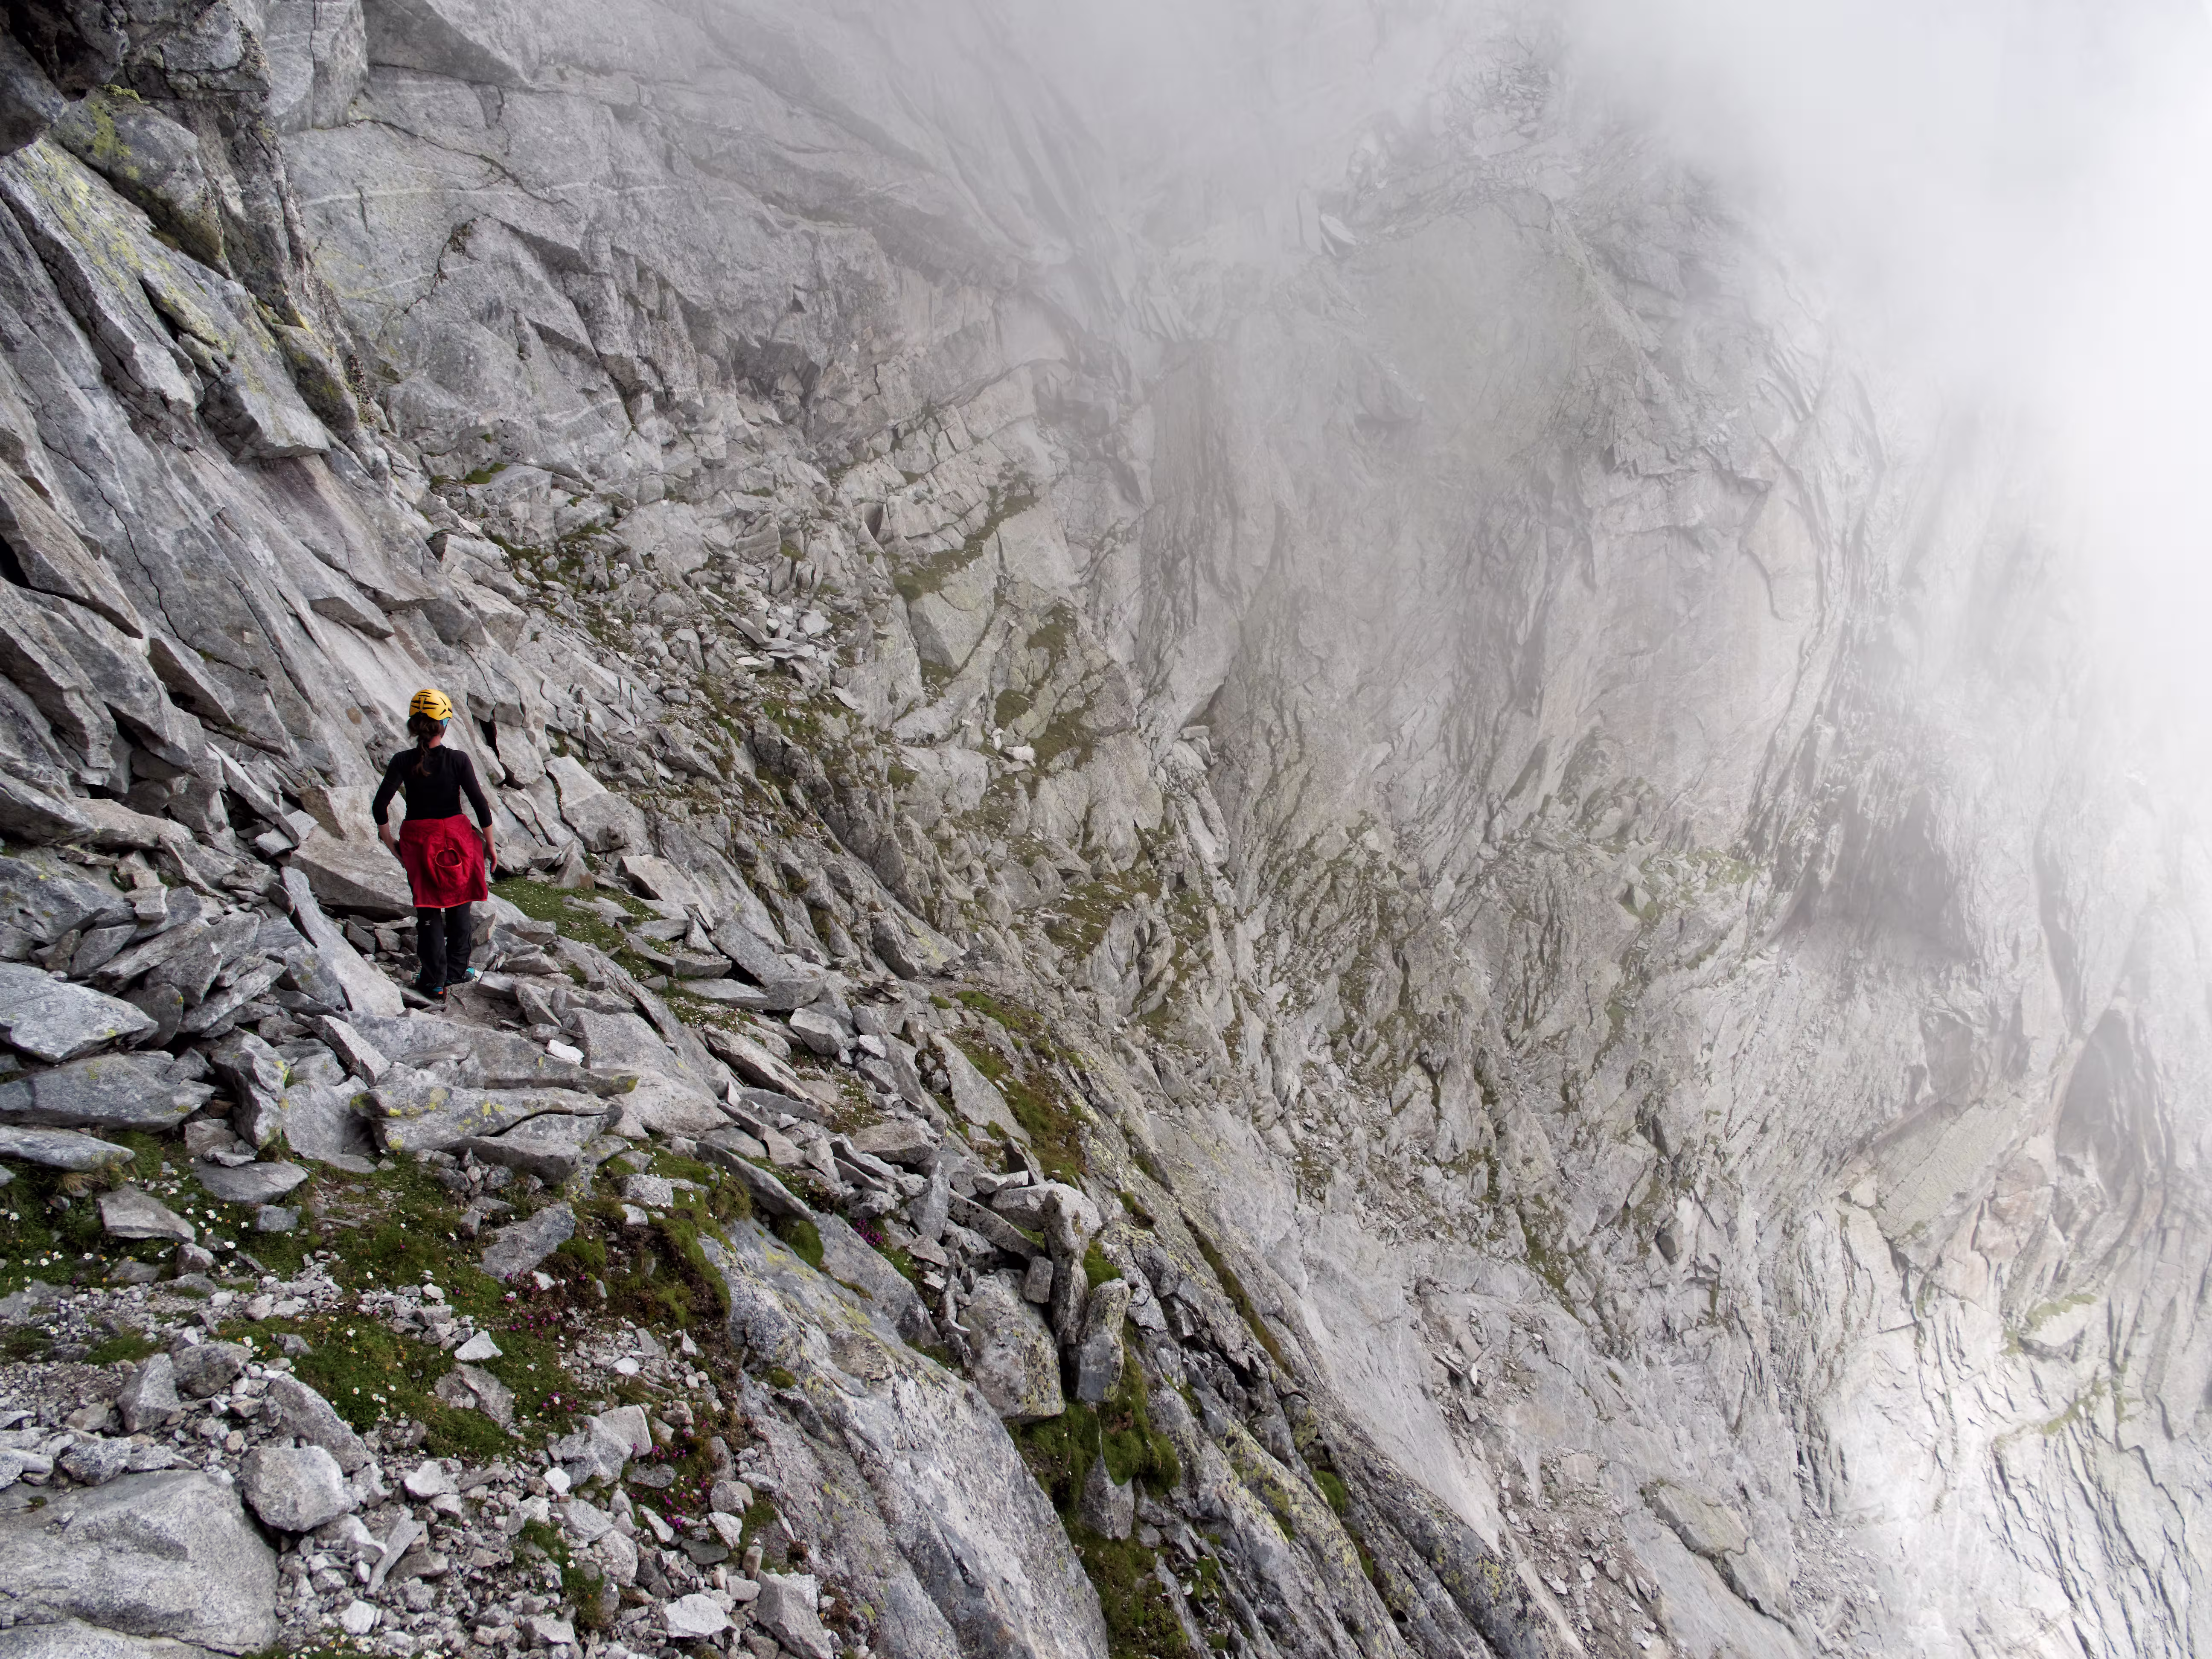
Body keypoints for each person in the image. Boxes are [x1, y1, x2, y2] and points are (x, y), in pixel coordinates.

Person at [372, 688, 494, 1002]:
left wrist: (390, 842)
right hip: (457, 839)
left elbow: (380, 806)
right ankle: (456, 972)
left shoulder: (402, 761)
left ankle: (434, 981)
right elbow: (480, 806)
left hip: (419, 841)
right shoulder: (458, 760)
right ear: (445, 724)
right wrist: (490, 847)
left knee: (428, 911)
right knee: (459, 903)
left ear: (414, 724)